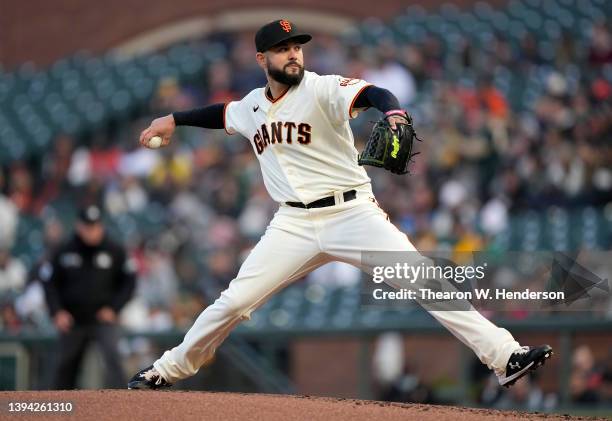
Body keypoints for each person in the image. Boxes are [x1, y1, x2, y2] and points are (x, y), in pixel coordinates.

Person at [128, 19, 552, 390]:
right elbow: (221, 113)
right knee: (236, 302)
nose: (294, 55)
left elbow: (375, 92)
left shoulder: (323, 87)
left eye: (297, 47)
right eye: (283, 49)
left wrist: (395, 114)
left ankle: (505, 357)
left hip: (352, 214)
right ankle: (167, 370)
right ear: (262, 59)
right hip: (291, 224)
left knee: (426, 280)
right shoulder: (252, 106)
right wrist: (174, 119)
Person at [41, 205, 136, 389]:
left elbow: (129, 282)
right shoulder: (64, 250)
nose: (92, 231)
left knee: (113, 359)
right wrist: (57, 312)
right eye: (88, 226)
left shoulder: (114, 250)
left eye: (96, 225)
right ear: (79, 226)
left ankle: (124, 407)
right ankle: (57, 410)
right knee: (65, 366)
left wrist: (114, 308)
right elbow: (49, 283)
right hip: (73, 319)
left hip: (102, 318)